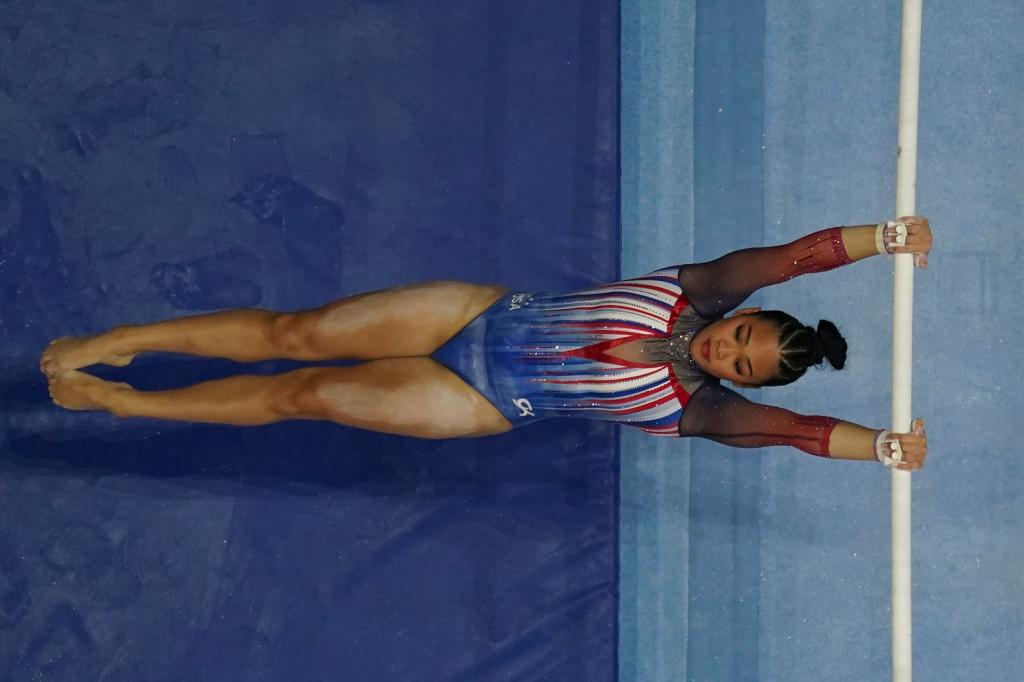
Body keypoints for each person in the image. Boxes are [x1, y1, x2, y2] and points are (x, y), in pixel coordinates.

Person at [41, 218, 932, 470]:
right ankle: (117, 340)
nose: (724, 356)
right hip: (472, 316)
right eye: (739, 338)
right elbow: (787, 259)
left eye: (739, 369)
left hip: (482, 403)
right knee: (295, 332)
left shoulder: (700, 414)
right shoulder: (692, 289)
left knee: (301, 393)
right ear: (734, 314)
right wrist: (884, 240)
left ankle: (129, 399)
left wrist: (883, 447)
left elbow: (798, 434)